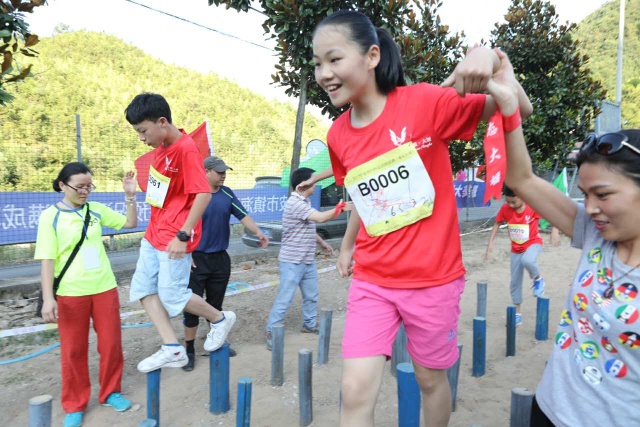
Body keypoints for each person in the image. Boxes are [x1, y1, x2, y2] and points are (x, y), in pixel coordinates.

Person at [312, 10, 533, 426]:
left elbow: (518, 105)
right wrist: (346, 247)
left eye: (334, 59)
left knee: (430, 380)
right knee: (354, 390)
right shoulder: (338, 134)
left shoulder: (426, 102)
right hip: (373, 280)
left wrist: (490, 57)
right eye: (318, 64)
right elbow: (363, 197)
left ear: (372, 56)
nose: (324, 74)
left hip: (433, 280)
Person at [487, 49, 640, 426]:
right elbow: (522, 179)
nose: (590, 208)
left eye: (603, 195)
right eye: (585, 195)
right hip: (549, 409)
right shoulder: (596, 235)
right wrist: (509, 105)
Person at [125, 93, 236, 373]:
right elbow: (161, 195)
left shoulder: (186, 149)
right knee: (143, 289)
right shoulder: (162, 148)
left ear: (162, 122)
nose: (141, 138)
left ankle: (220, 319)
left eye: (143, 131)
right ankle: (172, 348)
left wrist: (183, 235)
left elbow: (203, 194)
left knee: (173, 295)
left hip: (174, 236)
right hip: (154, 233)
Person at [35, 162, 137, 427]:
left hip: (104, 288)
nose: (85, 191)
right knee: (73, 351)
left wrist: (130, 196)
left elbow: (130, 223)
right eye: (79, 187)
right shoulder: (50, 216)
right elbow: (47, 260)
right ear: (62, 185)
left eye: (89, 186)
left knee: (111, 345)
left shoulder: (96, 210)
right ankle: (75, 404)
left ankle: (111, 392)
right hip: (70, 294)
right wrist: (49, 298)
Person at [182, 155, 269, 371]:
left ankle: (216, 342)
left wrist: (258, 232)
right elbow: (180, 225)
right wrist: (186, 252)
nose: (223, 175)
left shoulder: (227, 193)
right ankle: (189, 350)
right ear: (206, 172)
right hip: (195, 259)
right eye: (219, 172)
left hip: (220, 258)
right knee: (191, 307)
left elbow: (243, 216)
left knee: (215, 305)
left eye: (224, 172)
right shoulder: (193, 195)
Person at [265, 167, 350, 350]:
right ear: (302, 184)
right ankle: (271, 331)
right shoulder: (295, 203)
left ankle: (309, 324)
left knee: (311, 296)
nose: (315, 184)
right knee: (285, 298)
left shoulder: (304, 201)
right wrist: (339, 209)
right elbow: (320, 218)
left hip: (307, 259)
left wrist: (321, 242)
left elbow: (307, 226)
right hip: (292, 261)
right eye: (313, 181)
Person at [485, 185, 560, 326]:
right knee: (515, 282)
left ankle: (538, 279)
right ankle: (518, 314)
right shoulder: (506, 209)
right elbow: (497, 224)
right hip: (516, 249)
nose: (510, 205)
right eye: (508, 202)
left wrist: (555, 230)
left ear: (522, 196)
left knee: (528, 260)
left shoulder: (532, 207)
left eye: (513, 202)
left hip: (533, 243)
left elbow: (552, 214)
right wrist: (490, 243)